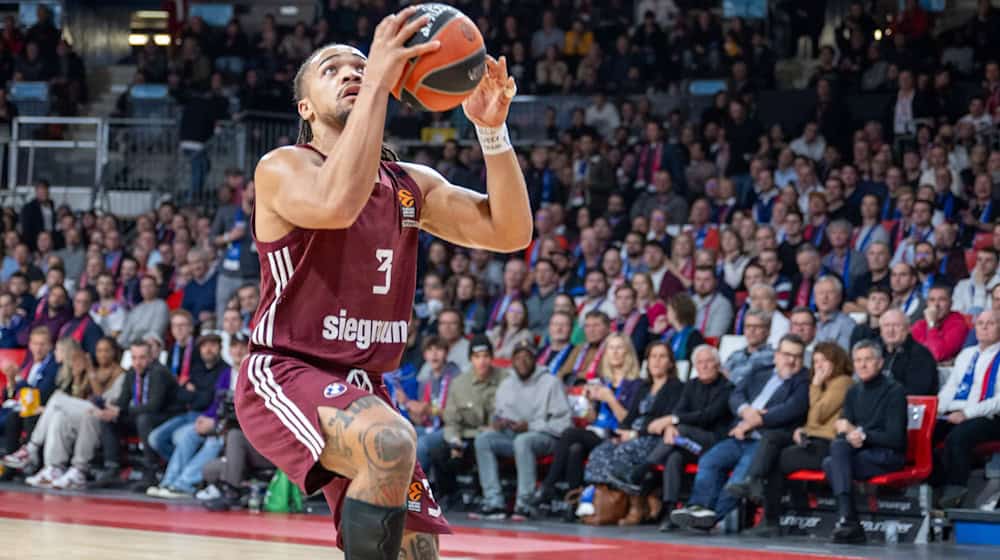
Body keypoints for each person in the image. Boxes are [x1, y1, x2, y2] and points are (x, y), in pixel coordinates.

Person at [236, 21, 532, 558]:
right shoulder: (283, 167)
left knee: (417, 550)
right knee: (390, 442)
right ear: (305, 108)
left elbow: (509, 233)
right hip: (286, 370)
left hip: (364, 386)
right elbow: (337, 205)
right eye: (333, 70)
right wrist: (376, 82)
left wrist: (492, 133)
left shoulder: (409, 185)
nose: (352, 72)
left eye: (360, 66)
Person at [670, 335, 809, 531]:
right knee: (709, 461)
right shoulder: (760, 372)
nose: (791, 361)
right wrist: (745, 411)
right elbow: (735, 394)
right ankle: (698, 507)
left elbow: (792, 408)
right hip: (739, 435)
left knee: (740, 477)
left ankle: (712, 516)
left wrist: (755, 421)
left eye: (797, 356)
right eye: (787, 354)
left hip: (765, 441)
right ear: (777, 355)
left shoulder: (803, 381)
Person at [734, 343, 854, 536]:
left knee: (777, 460)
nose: (820, 365)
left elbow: (818, 415)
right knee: (772, 437)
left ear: (837, 361)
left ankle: (769, 518)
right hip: (811, 439)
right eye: (815, 361)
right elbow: (812, 421)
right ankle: (753, 481)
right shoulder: (824, 385)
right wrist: (802, 429)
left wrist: (814, 385)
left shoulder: (843, 382)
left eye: (825, 360)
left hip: (829, 446)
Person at [624, 344, 734, 531]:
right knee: (674, 457)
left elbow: (708, 415)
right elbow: (679, 410)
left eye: (709, 362)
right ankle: (670, 510)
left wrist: (673, 422)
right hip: (689, 443)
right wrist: (671, 425)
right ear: (695, 366)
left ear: (717, 364)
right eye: (700, 362)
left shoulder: (727, 387)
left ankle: (646, 467)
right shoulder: (691, 385)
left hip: (715, 444)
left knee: (681, 429)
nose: (705, 366)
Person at [529, 333, 643, 510]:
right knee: (575, 449)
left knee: (569, 434)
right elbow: (592, 419)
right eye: (611, 348)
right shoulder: (602, 380)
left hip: (616, 437)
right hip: (595, 433)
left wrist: (610, 399)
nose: (614, 352)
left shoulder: (636, 384)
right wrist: (589, 403)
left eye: (619, 348)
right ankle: (574, 504)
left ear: (628, 352)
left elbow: (629, 421)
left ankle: (548, 485)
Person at [583, 340, 684, 525]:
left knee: (624, 453)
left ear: (670, 363)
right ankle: (613, 504)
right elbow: (631, 417)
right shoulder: (644, 387)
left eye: (662, 357)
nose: (657, 361)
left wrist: (635, 435)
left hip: (654, 439)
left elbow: (663, 421)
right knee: (600, 453)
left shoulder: (676, 387)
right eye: (653, 356)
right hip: (633, 435)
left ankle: (637, 505)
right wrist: (621, 433)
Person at [472, 340, 571, 520]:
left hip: (546, 438)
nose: (522, 361)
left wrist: (530, 426)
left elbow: (564, 424)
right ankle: (494, 502)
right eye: (518, 357)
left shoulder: (550, 382)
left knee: (523, 441)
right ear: (512, 361)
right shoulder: (507, 384)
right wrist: (498, 423)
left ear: (535, 359)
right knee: (484, 439)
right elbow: (499, 413)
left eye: (527, 357)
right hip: (513, 435)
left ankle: (525, 504)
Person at [824, 340, 908, 544]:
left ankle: (849, 521)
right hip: (860, 453)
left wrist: (861, 435)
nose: (862, 365)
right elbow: (844, 431)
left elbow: (896, 438)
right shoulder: (853, 391)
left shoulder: (895, 391)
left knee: (832, 464)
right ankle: (849, 520)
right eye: (858, 360)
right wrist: (850, 435)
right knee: (834, 452)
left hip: (887, 454)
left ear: (880, 362)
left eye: (868, 360)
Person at [934, 310, 1000, 508]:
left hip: (990, 417)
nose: (984, 327)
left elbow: (998, 400)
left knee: (959, 437)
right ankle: (934, 484)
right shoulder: (966, 354)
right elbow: (950, 388)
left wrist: (967, 414)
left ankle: (956, 489)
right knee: (928, 432)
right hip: (956, 412)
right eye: (980, 323)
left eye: (991, 323)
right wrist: (936, 410)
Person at [0, 326, 58, 455]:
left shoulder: (52, 366)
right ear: (30, 345)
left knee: (11, 418)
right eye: (35, 344)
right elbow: (9, 396)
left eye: (42, 344)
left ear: (50, 346)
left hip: (36, 409)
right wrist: (11, 380)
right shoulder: (28, 362)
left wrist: (20, 380)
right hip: (16, 407)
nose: (38, 348)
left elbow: (40, 394)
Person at [878, 309, 939, 396]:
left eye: (896, 325)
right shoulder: (876, 351)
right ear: (881, 330)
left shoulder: (920, 355)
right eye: (886, 325)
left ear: (908, 329)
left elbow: (916, 392)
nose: (890, 330)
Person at [912, 284, 969, 362]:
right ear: (927, 304)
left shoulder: (958, 324)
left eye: (942, 300)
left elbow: (937, 355)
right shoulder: (919, 325)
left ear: (951, 303)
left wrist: (931, 325)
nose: (936, 305)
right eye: (932, 300)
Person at [723, 309, 774, 386]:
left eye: (757, 326)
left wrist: (730, 376)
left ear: (768, 330)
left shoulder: (772, 356)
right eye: (748, 326)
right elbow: (721, 376)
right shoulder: (735, 355)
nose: (752, 330)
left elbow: (749, 379)